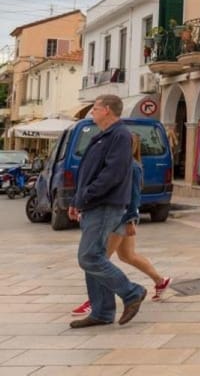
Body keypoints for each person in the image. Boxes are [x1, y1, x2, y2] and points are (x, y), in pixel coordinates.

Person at [68, 94, 147, 329]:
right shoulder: (103, 136)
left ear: (108, 110)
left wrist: (87, 195)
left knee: (89, 257)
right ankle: (102, 311)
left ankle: (131, 292)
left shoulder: (119, 135)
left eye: (95, 108)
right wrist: (77, 199)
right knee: (97, 256)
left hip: (105, 203)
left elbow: (111, 174)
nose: (92, 112)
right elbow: (88, 172)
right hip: (94, 203)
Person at [72, 134, 171, 316]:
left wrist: (131, 219)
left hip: (121, 218)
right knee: (127, 256)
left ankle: (95, 302)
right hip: (121, 217)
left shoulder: (131, 167)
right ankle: (160, 281)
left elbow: (134, 196)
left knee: (98, 259)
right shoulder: (125, 165)